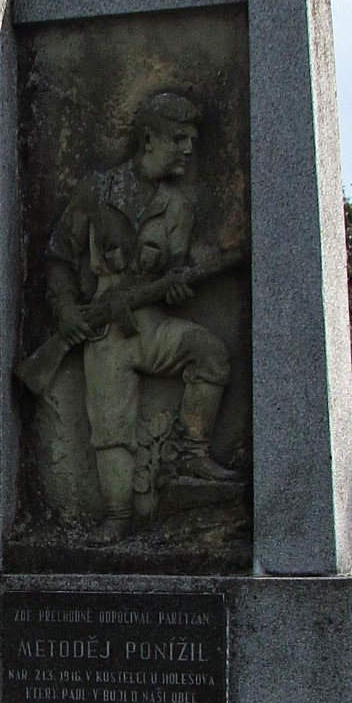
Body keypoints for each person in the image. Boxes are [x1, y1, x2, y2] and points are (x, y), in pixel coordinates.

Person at [40, 90, 240, 538]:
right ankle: (116, 517)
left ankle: (193, 450)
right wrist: (67, 310)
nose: (189, 148)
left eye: (192, 139)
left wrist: (177, 289)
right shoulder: (98, 191)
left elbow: (169, 281)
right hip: (103, 329)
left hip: (147, 322)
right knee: (111, 428)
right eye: (179, 138)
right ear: (149, 139)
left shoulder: (179, 209)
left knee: (209, 353)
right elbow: (58, 256)